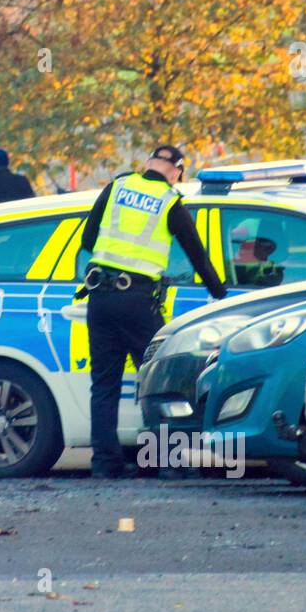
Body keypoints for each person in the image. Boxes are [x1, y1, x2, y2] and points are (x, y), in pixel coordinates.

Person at [78, 144, 226, 478]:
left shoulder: (117, 185)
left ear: (147, 164)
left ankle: (104, 464)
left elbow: (88, 239)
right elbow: (197, 255)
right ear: (176, 171)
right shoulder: (169, 201)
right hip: (137, 301)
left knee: (103, 384)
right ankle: (168, 463)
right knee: (158, 380)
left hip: (99, 295)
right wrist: (220, 293)